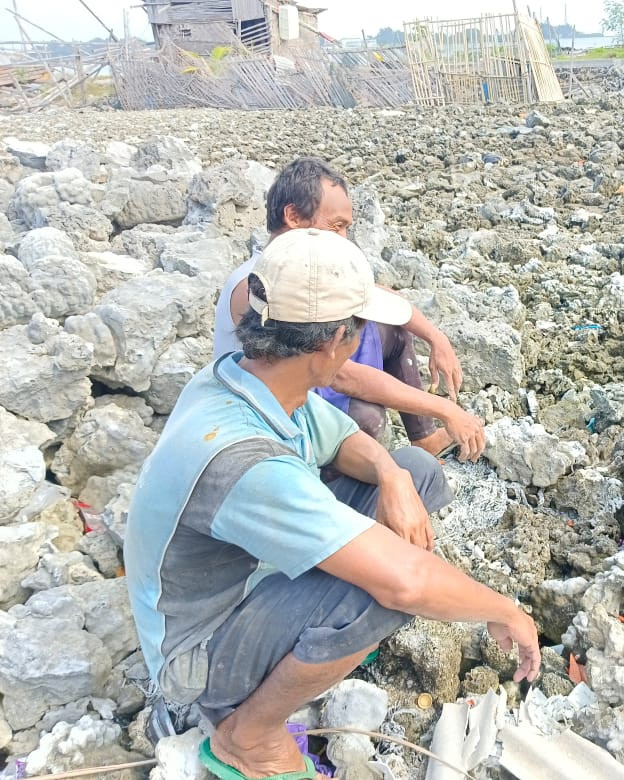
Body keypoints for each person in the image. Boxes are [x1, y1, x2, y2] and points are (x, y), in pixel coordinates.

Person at [126, 228, 540, 779]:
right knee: (383, 594)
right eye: (358, 331)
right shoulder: (241, 460)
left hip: (245, 578)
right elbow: (406, 583)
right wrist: (505, 610)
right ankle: (245, 735)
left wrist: (391, 474)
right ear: (333, 344)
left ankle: (314, 646)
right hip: (196, 655)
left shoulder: (249, 381)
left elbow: (344, 439)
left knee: (415, 472)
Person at [214, 157, 485, 462]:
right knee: (366, 417)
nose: (344, 239)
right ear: (293, 216)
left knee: (391, 328)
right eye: (337, 226)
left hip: (308, 375)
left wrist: (437, 339)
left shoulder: (310, 268)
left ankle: (424, 437)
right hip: (280, 414)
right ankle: (330, 485)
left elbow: (380, 297)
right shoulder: (257, 286)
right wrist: (443, 408)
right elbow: (341, 375)